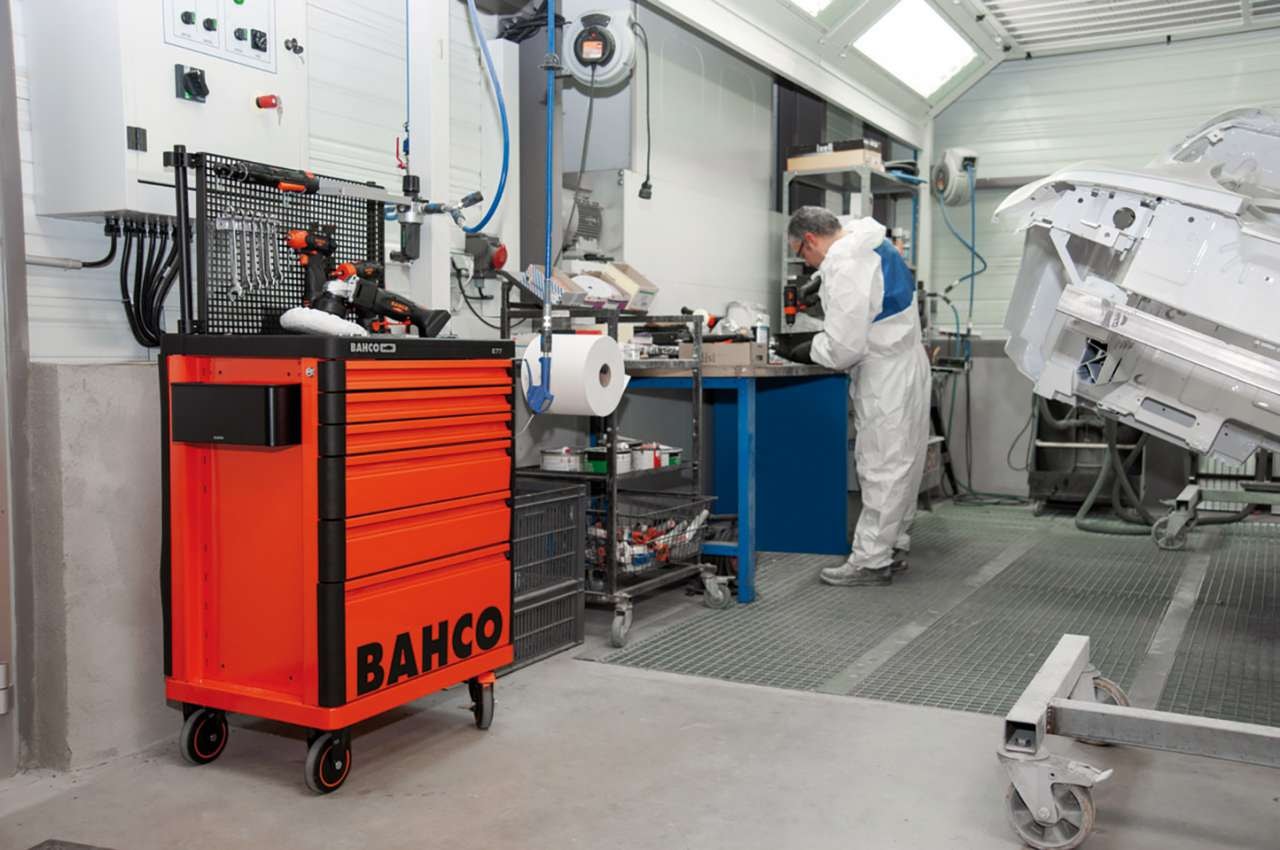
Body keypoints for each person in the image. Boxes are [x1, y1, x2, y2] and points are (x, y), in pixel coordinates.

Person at [777, 207, 931, 587]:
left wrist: (806, 348)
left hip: (884, 373)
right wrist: (821, 285)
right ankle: (893, 544)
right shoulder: (868, 239)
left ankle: (870, 560)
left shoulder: (845, 265)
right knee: (905, 461)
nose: (807, 263)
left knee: (881, 463)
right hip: (909, 360)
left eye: (802, 254)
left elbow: (844, 349)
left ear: (810, 239)